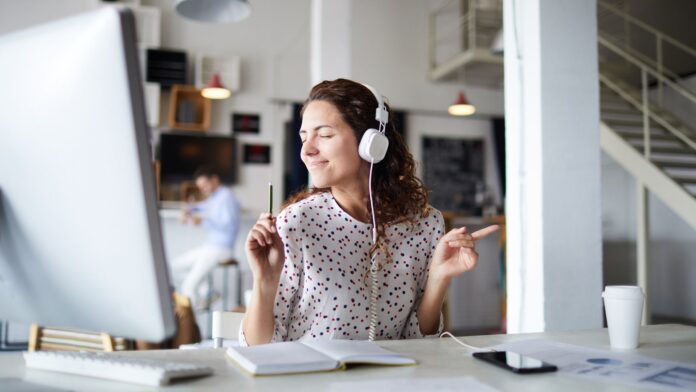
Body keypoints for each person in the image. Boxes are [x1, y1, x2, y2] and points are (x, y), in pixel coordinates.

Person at [241, 79, 499, 346]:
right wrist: (264, 281)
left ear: (372, 143)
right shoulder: (297, 222)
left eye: (325, 135)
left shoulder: (425, 223)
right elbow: (260, 349)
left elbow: (417, 341)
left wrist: (438, 279)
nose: (307, 150)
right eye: (304, 137)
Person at [171, 166, 241, 309]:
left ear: (215, 180)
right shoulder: (215, 197)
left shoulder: (226, 196)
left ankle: (191, 325)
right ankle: (208, 292)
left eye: (205, 185)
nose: (203, 190)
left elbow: (228, 226)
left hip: (221, 249)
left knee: (189, 285)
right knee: (173, 267)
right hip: (209, 247)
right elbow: (201, 207)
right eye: (200, 187)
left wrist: (202, 221)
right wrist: (188, 210)